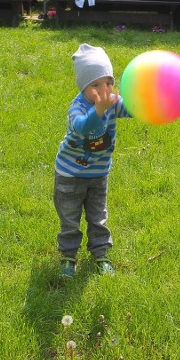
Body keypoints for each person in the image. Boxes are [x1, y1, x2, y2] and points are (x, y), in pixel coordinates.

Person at [54, 44, 131, 277]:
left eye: (108, 82)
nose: (103, 89)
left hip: (98, 174)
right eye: (95, 85)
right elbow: (84, 129)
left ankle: (100, 254)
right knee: (70, 218)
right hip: (70, 175)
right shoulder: (77, 108)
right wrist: (98, 110)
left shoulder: (111, 102)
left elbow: (133, 108)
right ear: (84, 86)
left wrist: (152, 100)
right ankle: (68, 256)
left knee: (98, 216)